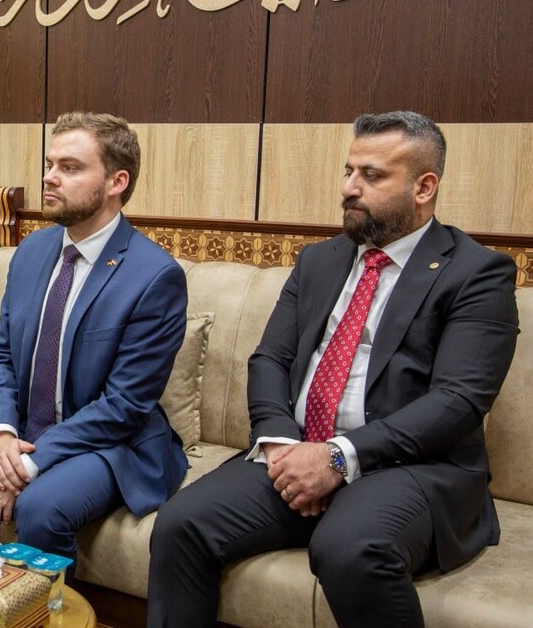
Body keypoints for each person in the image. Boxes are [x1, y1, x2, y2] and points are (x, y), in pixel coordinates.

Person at [146, 111, 520, 628]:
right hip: (299, 446)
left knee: (349, 548)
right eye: (349, 171)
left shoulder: (476, 272)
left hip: (410, 466)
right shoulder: (319, 261)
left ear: (424, 187)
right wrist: (281, 444)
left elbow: (458, 402)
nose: (349, 188)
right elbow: (270, 359)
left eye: (372, 175)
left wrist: (338, 457)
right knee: (180, 524)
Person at [0, 112, 189, 566]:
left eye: (70, 168)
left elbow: (124, 406)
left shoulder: (154, 276)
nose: (49, 177)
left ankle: (36, 603)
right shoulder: (32, 250)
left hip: (110, 442)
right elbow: (1, 355)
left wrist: (21, 468)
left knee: (40, 505)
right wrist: (0, 433)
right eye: (50, 165)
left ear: (117, 182)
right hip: (25, 428)